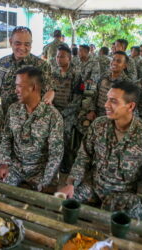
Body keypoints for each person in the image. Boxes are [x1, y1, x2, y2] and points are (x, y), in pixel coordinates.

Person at [59, 81, 142, 221]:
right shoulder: (99, 125)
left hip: (123, 195)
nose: (106, 104)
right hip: (95, 187)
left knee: (118, 221)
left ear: (130, 106)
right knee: (62, 204)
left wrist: (138, 198)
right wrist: (71, 184)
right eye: (107, 99)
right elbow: (83, 157)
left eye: (113, 101)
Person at [0, 67, 64, 192]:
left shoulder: (52, 115)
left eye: (19, 86)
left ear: (34, 87)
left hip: (40, 171)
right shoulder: (13, 109)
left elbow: (56, 154)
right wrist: (4, 163)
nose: (16, 90)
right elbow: (5, 139)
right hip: (16, 167)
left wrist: (45, 180)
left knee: (39, 204)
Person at [0, 26, 55, 114]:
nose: (22, 47)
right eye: (18, 43)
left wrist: (46, 102)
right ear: (10, 42)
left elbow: (50, 90)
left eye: (27, 44)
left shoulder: (41, 65)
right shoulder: (3, 62)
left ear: (31, 44)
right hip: (6, 116)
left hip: (31, 119)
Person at [51, 45, 83, 173]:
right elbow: (49, 92)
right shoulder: (53, 73)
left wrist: (63, 113)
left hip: (68, 113)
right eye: (57, 56)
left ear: (69, 58)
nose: (59, 59)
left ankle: (66, 164)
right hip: (54, 110)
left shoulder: (76, 75)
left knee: (65, 137)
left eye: (62, 56)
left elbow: (77, 100)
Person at [86, 51, 129, 119]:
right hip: (97, 112)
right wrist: (92, 110)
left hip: (114, 115)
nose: (114, 63)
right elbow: (95, 93)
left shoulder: (127, 83)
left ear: (124, 66)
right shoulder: (104, 76)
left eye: (118, 61)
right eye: (113, 60)